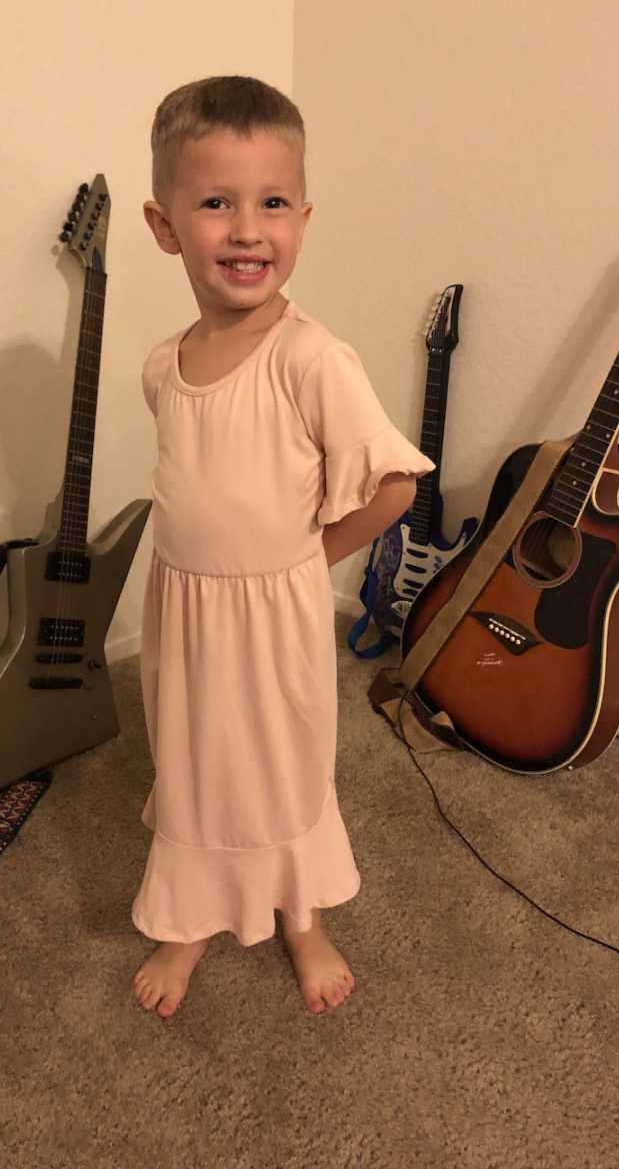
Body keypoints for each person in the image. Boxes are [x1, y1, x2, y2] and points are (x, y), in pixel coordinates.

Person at [132, 76, 435, 1019]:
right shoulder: (161, 365)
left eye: (271, 203)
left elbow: (395, 483)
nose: (247, 229)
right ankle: (188, 913)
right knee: (190, 759)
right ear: (165, 223)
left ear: (303, 217)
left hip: (276, 612)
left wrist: (310, 556)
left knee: (282, 764)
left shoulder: (312, 359)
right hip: (182, 606)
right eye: (216, 202)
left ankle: (301, 914)